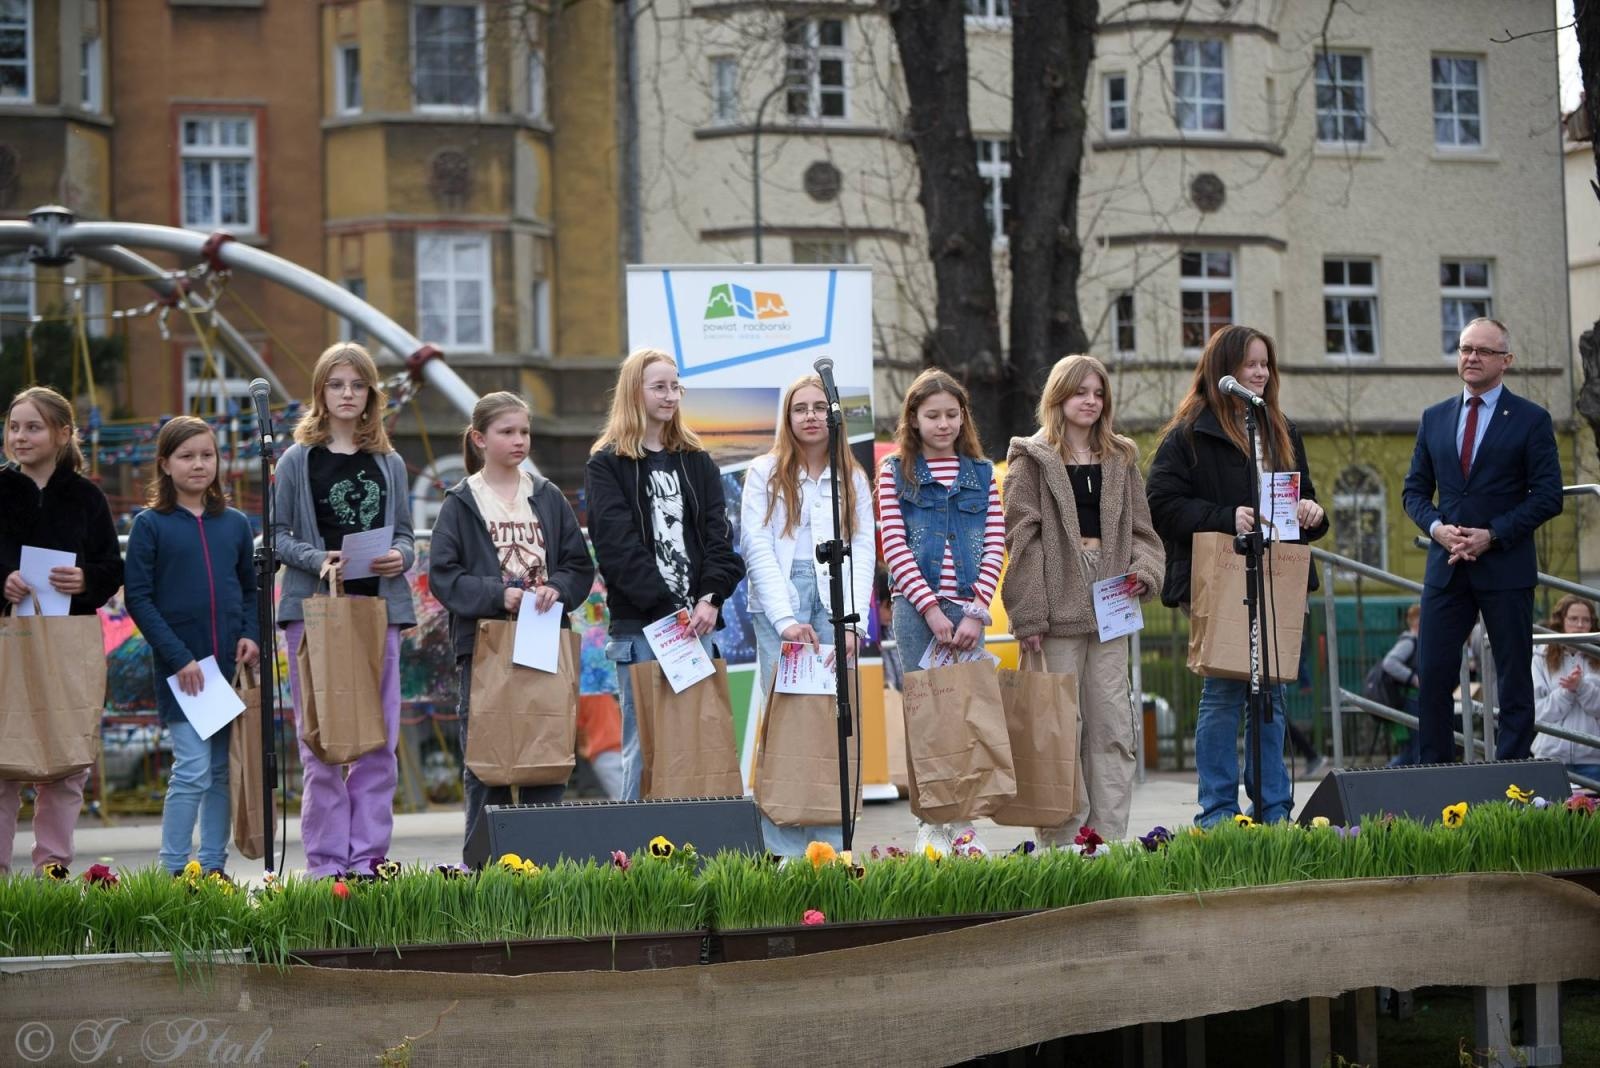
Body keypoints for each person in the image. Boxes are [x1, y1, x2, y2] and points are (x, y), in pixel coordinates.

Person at [1146, 325, 1328, 827]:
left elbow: (1300, 496)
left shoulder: (1280, 428)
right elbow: (1160, 504)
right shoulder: (1190, 433)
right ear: (1223, 369)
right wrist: (1226, 516)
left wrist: (1312, 512)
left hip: (1277, 577)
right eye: (1250, 364)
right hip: (1220, 575)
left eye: (1266, 364)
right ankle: (1219, 814)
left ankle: (1273, 810)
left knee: (1271, 693)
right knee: (1225, 692)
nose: (1261, 373)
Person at [1001, 354, 1163, 844]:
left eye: (1098, 393)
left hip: (1111, 607)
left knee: (1113, 728)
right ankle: (1064, 847)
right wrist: (1028, 613)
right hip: (1054, 611)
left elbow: (1144, 533)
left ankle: (1108, 843)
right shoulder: (1030, 459)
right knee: (1057, 732)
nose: (1091, 401)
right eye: (1080, 392)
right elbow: (1020, 540)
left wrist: (1144, 572)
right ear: (1058, 397)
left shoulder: (1121, 458)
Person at [430, 392, 594, 857]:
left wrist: (557, 588)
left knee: (546, 759)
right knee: (488, 766)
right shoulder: (461, 502)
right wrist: (496, 594)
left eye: (524, 431)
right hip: (487, 648)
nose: (519, 440)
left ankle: (542, 868)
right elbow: (444, 575)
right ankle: (484, 875)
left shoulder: (547, 496)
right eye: (507, 432)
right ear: (480, 439)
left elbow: (579, 566)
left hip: (544, 643)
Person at [274, 343, 416, 880]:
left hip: (378, 611)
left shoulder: (389, 461)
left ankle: (369, 862)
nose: (348, 394)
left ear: (371, 394)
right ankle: (328, 866)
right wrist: (318, 559)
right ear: (321, 393)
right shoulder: (296, 460)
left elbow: (405, 532)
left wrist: (403, 555)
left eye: (357, 385)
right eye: (337, 385)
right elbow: (279, 536)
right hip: (314, 613)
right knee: (323, 743)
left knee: (380, 742)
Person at [1402, 317, 1563, 764]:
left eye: (1483, 351)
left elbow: (1549, 497)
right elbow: (1413, 491)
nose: (1471, 358)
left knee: (1513, 680)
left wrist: (1492, 535)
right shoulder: (1435, 418)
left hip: (1505, 568)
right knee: (1432, 674)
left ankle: (1510, 778)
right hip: (1446, 568)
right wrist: (1436, 528)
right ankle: (1433, 774)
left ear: (1505, 361)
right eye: (1465, 349)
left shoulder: (1532, 420)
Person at [585, 349, 744, 801]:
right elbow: (616, 551)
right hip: (642, 628)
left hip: (699, 627)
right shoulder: (607, 464)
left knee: (699, 744)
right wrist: (669, 612)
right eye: (660, 386)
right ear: (634, 392)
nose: (671, 395)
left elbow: (720, 542)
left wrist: (711, 598)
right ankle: (635, 859)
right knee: (646, 747)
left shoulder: (696, 461)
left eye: (676, 386)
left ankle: (703, 852)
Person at [740, 374, 875, 856]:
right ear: (787, 417)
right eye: (801, 408)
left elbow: (862, 549)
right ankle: (782, 848)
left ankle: (834, 844)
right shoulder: (764, 471)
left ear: (834, 416)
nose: (812, 416)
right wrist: (784, 619)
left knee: (831, 720)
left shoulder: (852, 476)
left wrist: (851, 622)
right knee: (785, 721)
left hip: (833, 595)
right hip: (784, 595)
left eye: (821, 407)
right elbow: (755, 545)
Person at [123, 416, 259, 878]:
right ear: (165, 464)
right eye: (187, 456)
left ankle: (214, 870)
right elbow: (138, 598)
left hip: (226, 670)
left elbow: (249, 589)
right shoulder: (151, 525)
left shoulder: (236, 524)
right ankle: (174, 871)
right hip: (184, 672)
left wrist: (250, 634)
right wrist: (178, 657)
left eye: (207, 455)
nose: (199, 464)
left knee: (222, 772)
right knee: (194, 770)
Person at [878, 368, 1005, 855]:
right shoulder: (896, 471)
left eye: (952, 414)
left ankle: (964, 819)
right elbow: (895, 544)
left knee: (966, 713)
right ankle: (933, 820)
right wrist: (931, 610)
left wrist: (975, 612)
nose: (943, 424)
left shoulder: (980, 473)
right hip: (918, 609)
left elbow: (995, 542)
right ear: (913, 418)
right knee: (927, 713)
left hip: (969, 610)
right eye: (932, 415)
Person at [0, 387, 124, 878]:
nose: (20, 436)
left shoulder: (87, 496)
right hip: (8, 641)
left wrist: (86, 580)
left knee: (68, 759)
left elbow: (110, 567)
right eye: (13, 426)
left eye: (32, 427)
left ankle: (52, 870)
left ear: (63, 433)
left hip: (69, 641)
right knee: (3, 756)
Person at [1531, 595, 1600, 783]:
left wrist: (1583, 688)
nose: (1580, 625)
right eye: (1573, 619)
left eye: (1586, 620)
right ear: (1561, 621)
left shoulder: (1598, 655)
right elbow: (1535, 713)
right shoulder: (1540, 655)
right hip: (1550, 757)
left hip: (1594, 760)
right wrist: (1567, 692)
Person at [1380, 604, 1423, 766]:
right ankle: (1384, 776)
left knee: (1412, 749)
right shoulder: (1410, 642)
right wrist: (1413, 678)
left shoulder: (1415, 641)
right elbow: (1389, 662)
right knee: (1416, 747)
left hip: (1412, 699)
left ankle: (1384, 777)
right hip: (1411, 700)